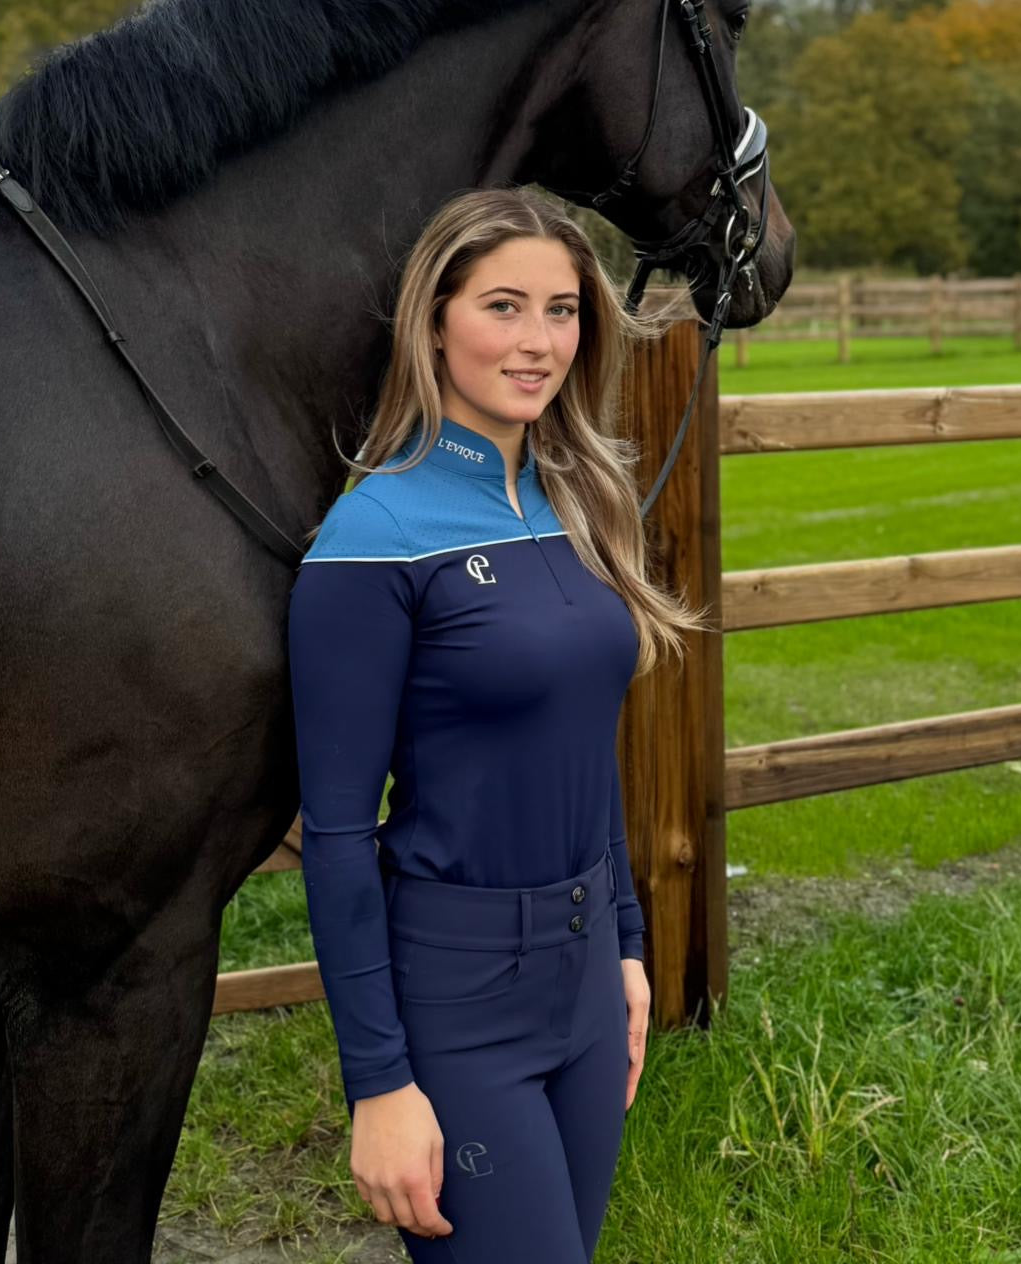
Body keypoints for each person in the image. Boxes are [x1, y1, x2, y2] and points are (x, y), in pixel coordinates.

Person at [287, 186, 707, 1261]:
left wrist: (622, 945)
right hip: (456, 991)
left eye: (561, 310)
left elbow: (583, 748)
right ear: (435, 320)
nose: (538, 342)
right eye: (504, 306)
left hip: (581, 981)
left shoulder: (573, 505)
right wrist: (378, 1081)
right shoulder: (371, 533)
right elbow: (334, 835)